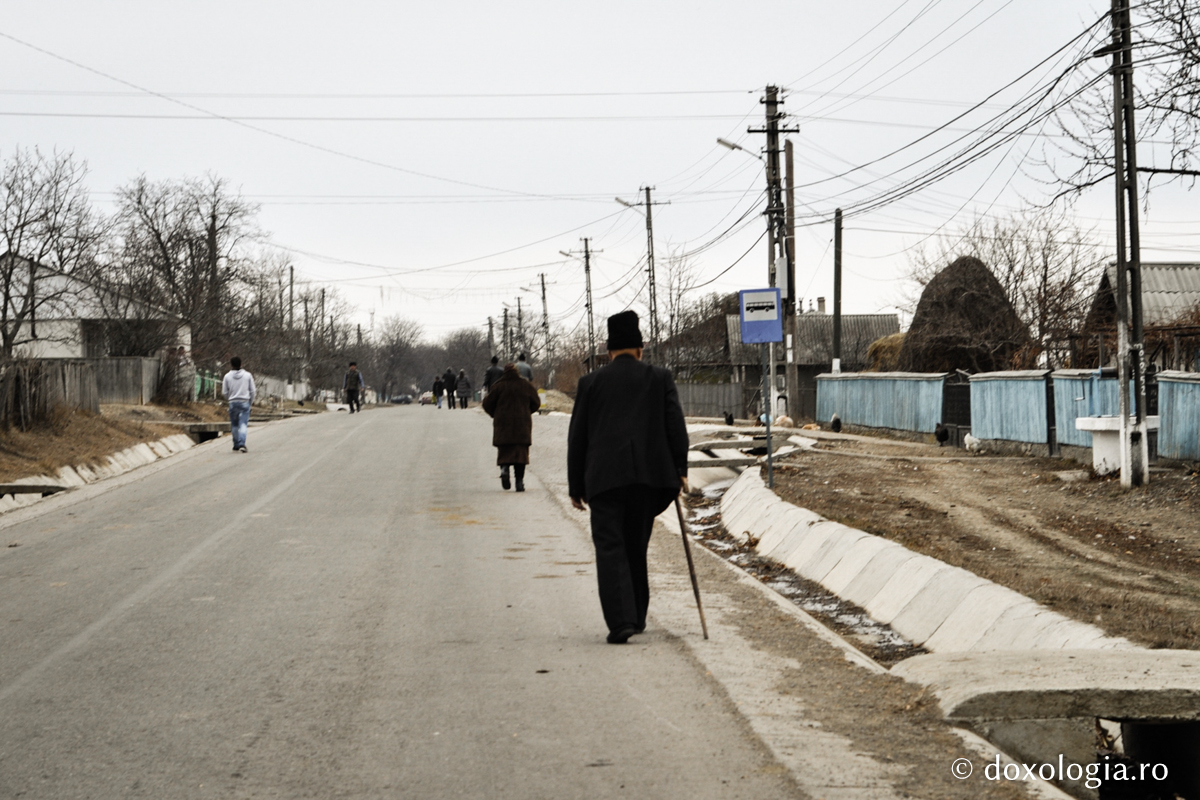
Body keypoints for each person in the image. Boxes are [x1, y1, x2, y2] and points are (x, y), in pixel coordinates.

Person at [567, 311, 688, 644]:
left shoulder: (590, 383)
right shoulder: (660, 378)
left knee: (610, 547)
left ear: (608, 351)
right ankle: (637, 615)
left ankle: (621, 622)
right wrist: (681, 469)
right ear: (641, 348)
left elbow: (578, 436)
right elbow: (675, 426)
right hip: (648, 480)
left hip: (604, 481)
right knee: (636, 545)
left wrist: (576, 485)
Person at [482, 363, 541, 492]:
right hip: (522, 425)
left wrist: (495, 414)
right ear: (517, 372)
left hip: (503, 425)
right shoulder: (526, 385)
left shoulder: (498, 386)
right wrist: (526, 411)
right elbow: (536, 403)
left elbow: (486, 404)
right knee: (521, 455)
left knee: (504, 451)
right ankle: (519, 482)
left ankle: (504, 469)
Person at [222, 356, 257, 453]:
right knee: (243, 424)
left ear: (231, 365)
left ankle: (235, 444)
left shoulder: (227, 376)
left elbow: (224, 392)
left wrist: (229, 399)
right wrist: (250, 401)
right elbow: (253, 391)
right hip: (244, 402)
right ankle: (242, 443)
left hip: (233, 402)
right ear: (241, 364)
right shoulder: (247, 375)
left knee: (234, 425)